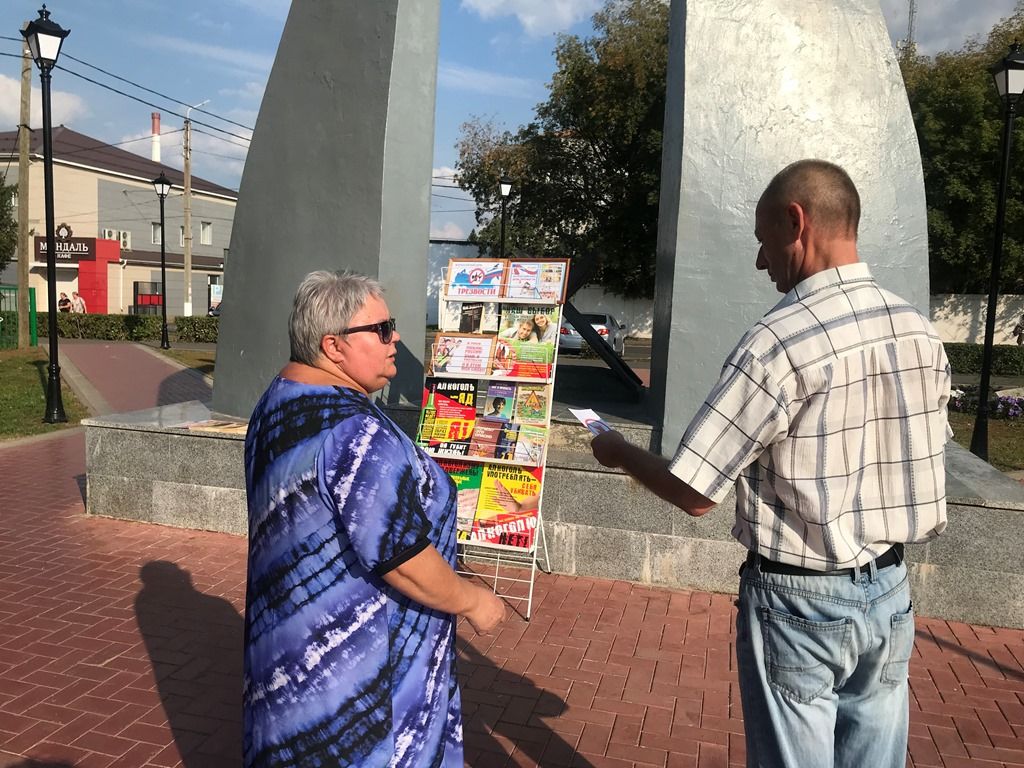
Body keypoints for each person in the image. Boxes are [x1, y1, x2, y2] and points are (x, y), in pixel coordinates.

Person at [590, 160, 951, 768]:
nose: (762, 263)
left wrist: (620, 452)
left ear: (796, 221)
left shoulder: (779, 341)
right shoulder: (917, 329)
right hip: (890, 588)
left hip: (800, 599)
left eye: (763, 242)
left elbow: (695, 489)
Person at [243, 270, 505, 768]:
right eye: (382, 329)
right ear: (333, 346)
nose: (396, 339)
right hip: (363, 679)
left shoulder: (280, 399)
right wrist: (472, 599)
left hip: (292, 659)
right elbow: (400, 558)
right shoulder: (353, 432)